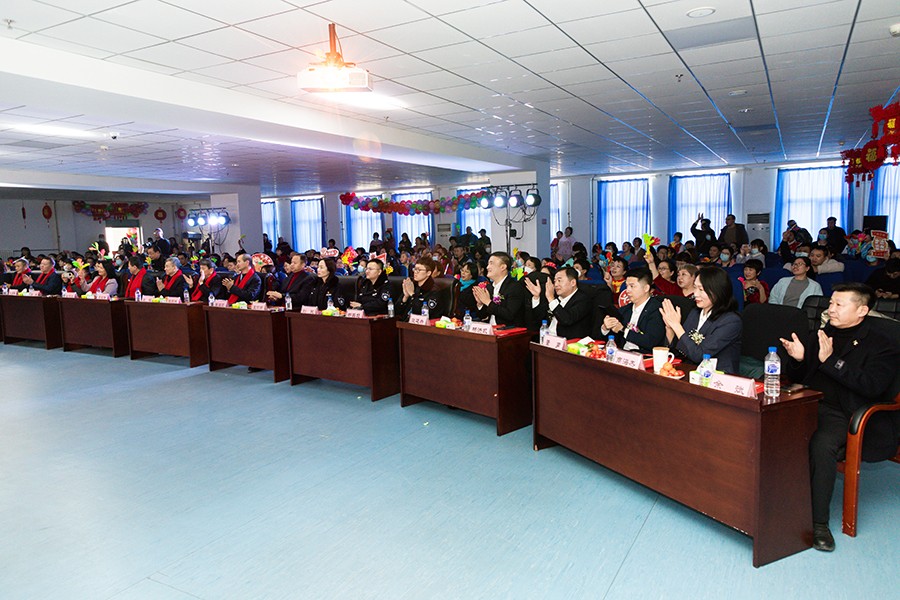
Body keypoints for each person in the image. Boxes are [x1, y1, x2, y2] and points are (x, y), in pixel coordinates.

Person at [780, 283, 900, 552]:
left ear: (862, 310)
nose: (830, 309)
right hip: (809, 402)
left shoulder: (883, 344)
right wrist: (798, 359)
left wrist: (831, 360)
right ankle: (776, 501)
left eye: (838, 305)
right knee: (770, 424)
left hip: (846, 412)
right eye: (830, 303)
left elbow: (872, 386)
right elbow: (799, 376)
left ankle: (818, 523)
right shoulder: (822, 334)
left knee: (822, 444)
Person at [659, 266, 742, 374]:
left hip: (718, 377)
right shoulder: (696, 312)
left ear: (718, 290)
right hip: (691, 371)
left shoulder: (731, 321)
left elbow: (699, 355)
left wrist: (677, 326)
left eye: (701, 289)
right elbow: (682, 350)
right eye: (695, 287)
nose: (695, 294)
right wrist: (670, 330)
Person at [601, 268, 666, 354]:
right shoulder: (624, 310)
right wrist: (605, 328)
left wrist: (623, 330)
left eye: (632, 286)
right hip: (622, 354)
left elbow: (651, 341)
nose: (627, 291)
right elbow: (612, 340)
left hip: (645, 357)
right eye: (626, 286)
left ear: (646, 288)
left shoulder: (657, 310)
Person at [525, 266, 594, 339]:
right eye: (555, 281)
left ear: (573, 282)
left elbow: (567, 320)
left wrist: (551, 299)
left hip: (568, 343)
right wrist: (536, 297)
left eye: (559, 280)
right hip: (546, 340)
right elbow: (538, 321)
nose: (556, 285)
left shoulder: (583, 300)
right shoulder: (554, 298)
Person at [472, 251, 526, 327]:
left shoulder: (514, 287)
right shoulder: (489, 287)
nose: (487, 267)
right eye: (488, 264)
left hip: (508, 330)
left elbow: (509, 315)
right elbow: (483, 316)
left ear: (503, 267)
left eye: (491, 263)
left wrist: (488, 302)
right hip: (491, 329)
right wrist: (480, 304)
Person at [398, 255, 444, 320]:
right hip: (404, 322)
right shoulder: (413, 285)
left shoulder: (434, 291)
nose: (415, 272)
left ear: (428, 273)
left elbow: (423, 314)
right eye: (415, 269)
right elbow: (396, 311)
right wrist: (405, 297)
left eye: (419, 270)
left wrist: (412, 294)